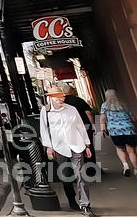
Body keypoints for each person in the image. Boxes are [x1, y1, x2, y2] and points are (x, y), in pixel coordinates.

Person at [40, 86, 94, 216]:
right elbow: (44, 130)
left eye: (63, 96)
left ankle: (85, 205)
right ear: (51, 98)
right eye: (59, 97)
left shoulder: (71, 109)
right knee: (66, 176)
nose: (62, 99)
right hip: (59, 148)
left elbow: (80, 127)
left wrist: (87, 145)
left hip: (76, 145)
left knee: (80, 175)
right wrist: (48, 147)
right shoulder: (45, 111)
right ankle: (71, 200)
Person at [100, 88, 137, 177]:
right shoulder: (123, 105)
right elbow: (133, 118)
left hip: (115, 131)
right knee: (131, 151)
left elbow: (102, 119)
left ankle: (125, 165)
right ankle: (136, 168)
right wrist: (134, 126)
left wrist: (102, 130)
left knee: (120, 149)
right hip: (129, 129)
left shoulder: (105, 105)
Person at [63, 84, 97, 167]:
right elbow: (88, 113)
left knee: (71, 147)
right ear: (72, 91)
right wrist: (93, 125)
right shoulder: (78, 100)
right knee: (88, 146)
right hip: (85, 126)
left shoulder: (63, 102)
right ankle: (91, 168)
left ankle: (71, 170)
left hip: (70, 127)